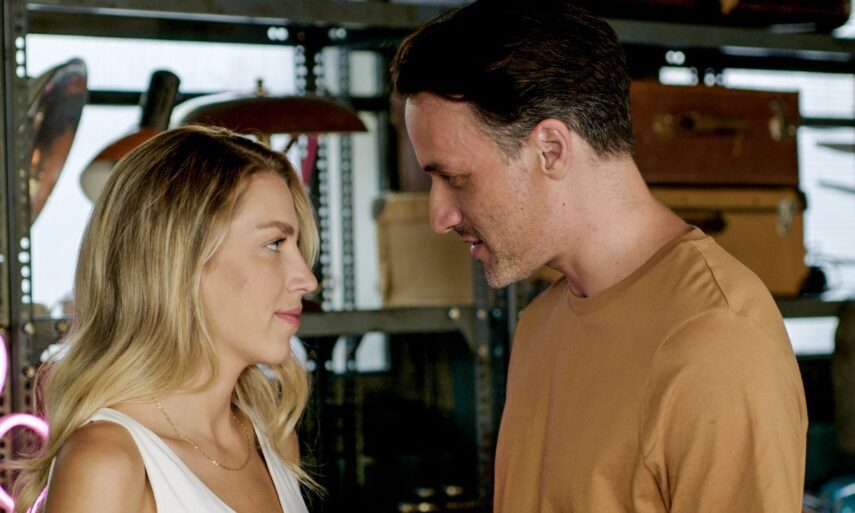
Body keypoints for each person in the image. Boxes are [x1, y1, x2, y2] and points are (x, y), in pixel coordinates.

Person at [392, 1, 807, 511]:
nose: (439, 217)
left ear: (550, 149)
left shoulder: (716, 343)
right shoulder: (541, 322)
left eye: (455, 178)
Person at [14, 125, 319, 513]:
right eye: (274, 244)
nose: (306, 279)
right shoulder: (107, 463)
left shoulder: (272, 442)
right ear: (183, 261)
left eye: (296, 246)